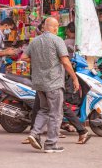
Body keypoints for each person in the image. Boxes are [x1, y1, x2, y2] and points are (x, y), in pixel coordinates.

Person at [21, 17, 80, 153]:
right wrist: (74, 78)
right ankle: (51, 144)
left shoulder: (35, 41)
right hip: (53, 83)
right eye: (57, 27)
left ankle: (34, 133)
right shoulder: (57, 40)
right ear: (55, 28)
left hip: (39, 83)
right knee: (56, 114)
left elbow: (24, 57)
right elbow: (65, 62)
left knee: (44, 110)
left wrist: (38, 61)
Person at [0, 17, 18, 124]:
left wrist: (6, 51)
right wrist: (7, 53)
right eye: (9, 28)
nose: (9, 31)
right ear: (5, 25)